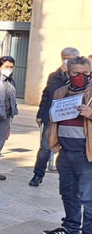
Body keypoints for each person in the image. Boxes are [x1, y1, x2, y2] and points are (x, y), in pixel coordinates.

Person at [42, 56, 92, 234]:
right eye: (76, 74)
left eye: (85, 74)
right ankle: (70, 227)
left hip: (86, 153)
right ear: (68, 74)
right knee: (67, 192)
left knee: (87, 196)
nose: (81, 77)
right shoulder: (61, 92)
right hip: (65, 150)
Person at [31, 47, 79, 186]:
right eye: (65, 57)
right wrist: (40, 114)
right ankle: (37, 175)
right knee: (45, 148)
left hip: (71, 120)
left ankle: (69, 179)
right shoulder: (54, 76)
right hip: (52, 118)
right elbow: (46, 95)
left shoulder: (81, 77)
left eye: (70, 58)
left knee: (69, 151)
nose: (67, 60)